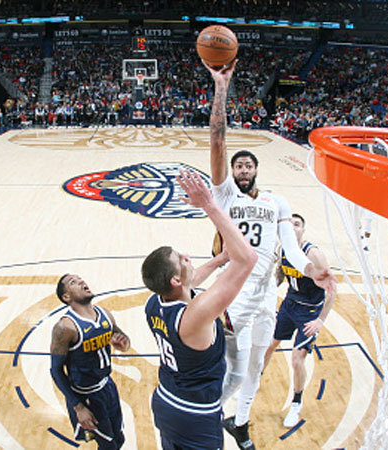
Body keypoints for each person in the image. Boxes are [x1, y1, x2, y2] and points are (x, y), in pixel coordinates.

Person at [204, 60, 337, 450]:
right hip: (234, 292)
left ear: (257, 169)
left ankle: (240, 424)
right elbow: (216, 139)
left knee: (256, 371)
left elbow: (292, 251)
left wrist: (314, 270)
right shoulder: (225, 194)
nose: (243, 169)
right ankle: (208, 413)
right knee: (230, 368)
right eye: (237, 165)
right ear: (231, 172)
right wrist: (221, 89)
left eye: (248, 164)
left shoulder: (278, 202)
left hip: (265, 296)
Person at [142, 170, 257, 450]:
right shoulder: (195, 317)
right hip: (194, 414)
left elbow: (190, 282)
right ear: (175, 280)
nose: (187, 256)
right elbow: (247, 260)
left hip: (166, 400)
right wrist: (209, 205)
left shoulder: (155, 301)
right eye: (181, 259)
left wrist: (219, 260)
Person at [263, 213, 336, 428]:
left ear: (303, 230)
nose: (293, 228)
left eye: (297, 225)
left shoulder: (313, 254)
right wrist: (266, 292)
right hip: (289, 304)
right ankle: (256, 377)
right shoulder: (283, 249)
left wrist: (321, 320)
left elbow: (332, 290)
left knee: (297, 359)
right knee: (269, 344)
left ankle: (296, 403)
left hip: (310, 312)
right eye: (289, 224)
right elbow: (280, 273)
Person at [50, 274, 131, 449]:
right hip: (86, 396)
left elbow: (124, 342)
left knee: (120, 439)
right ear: (66, 297)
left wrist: (122, 344)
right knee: (108, 446)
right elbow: (56, 371)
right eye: (73, 282)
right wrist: (78, 407)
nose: (81, 281)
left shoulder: (105, 314)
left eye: (80, 279)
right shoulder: (65, 328)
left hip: (108, 387)